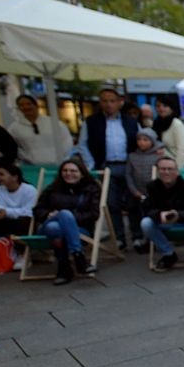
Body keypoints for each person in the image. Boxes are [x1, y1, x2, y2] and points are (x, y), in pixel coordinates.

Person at [77, 87, 139, 250]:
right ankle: (119, 238)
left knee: (133, 202)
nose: (109, 104)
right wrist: (91, 164)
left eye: (112, 100)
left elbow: (140, 142)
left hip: (128, 166)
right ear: (100, 103)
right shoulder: (91, 122)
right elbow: (82, 144)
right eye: (105, 100)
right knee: (112, 204)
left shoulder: (131, 121)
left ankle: (138, 237)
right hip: (106, 167)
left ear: (120, 102)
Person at [33, 159, 101, 285]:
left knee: (57, 226)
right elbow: (37, 210)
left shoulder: (91, 189)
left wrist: (68, 218)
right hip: (46, 226)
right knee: (60, 217)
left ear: (82, 173)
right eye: (65, 170)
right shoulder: (52, 188)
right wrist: (49, 214)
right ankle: (78, 257)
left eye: (73, 171)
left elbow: (93, 214)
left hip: (79, 229)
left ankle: (64, 269)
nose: (68, 173)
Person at [141, 155, 184, 272]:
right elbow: (147, 209)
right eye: (163, 169)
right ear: (158, 171)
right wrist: (160, 215)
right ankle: (169, 254)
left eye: (170, 169)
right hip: (164, 222)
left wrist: (180, 215)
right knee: (146, 223)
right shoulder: (152, 187)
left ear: (177, 172)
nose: (166, 172)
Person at [125, 128, 168, 253]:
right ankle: (138, 239)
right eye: (139, 139)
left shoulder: (159, 155)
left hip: (154, 193)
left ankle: (155, 240)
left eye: (145, 140)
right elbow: (128, 174)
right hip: (137, 192)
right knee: (136, 214)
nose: (142, 142)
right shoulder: (132, 156)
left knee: (153, 214)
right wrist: (134, 191)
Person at [7, 95, 72, 165]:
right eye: (21, 105)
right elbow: (12, 147)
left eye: (29, 104)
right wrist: (26, 157)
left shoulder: (53, 122)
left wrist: (61, 157)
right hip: (31, 167)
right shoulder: (14, 128)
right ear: (18, 108)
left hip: (57, 164)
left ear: (36, 105)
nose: (26, 107)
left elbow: (67, 140)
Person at [0, 163, 37, 239]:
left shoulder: (30, 190)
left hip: (22, 223)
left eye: (1, 174)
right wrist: (2, 213)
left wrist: (7, 212)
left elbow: (28, 212)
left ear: (15, 177)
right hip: (4, 221)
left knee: (23, 221)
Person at [153, 96, 184, 170]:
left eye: (165, 106)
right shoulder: (156, 124)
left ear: (171, 108)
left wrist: (177, 169)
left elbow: (181, 150)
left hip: (174, 166)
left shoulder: (177, 124)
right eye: (158, 106)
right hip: (160, 165)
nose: (161, 108)